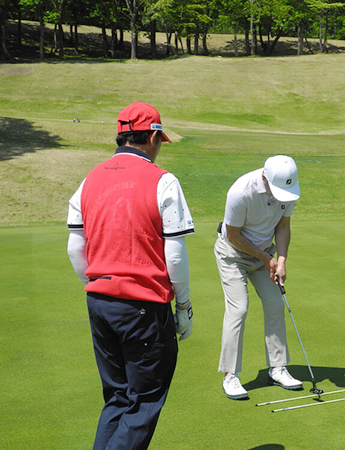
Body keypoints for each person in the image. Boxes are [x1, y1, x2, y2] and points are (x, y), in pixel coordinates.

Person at [67, 102, 195, 449]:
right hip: (144, 306)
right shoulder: (163, 180)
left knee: (118, 398)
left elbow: (74, 248)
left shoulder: (90, 177)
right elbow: (175, 253)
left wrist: (94, 285)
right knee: (143, 403)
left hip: (99, 301)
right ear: (153, 136)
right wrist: (182, 306)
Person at [215, 155, 302, 400]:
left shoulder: (288, 187)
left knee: (276, 305)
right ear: (264, 177)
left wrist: (281, 260)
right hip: (233, 254)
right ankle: (230, 375)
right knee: (239, 308)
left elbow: (283, 226)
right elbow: (232, 235)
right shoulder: (240, 192)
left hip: (265, 254)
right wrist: (265, 258)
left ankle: (277, 368)